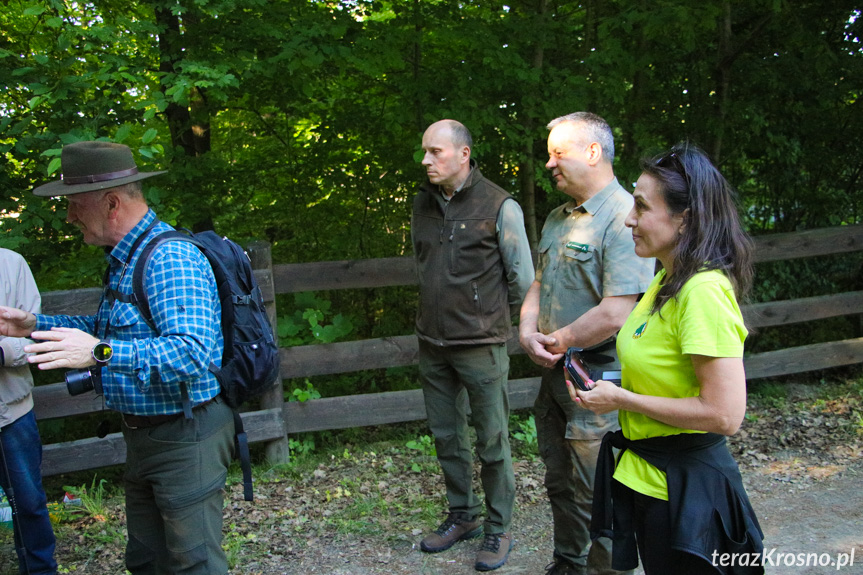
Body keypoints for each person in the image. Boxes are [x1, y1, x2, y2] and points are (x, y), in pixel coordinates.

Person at [0, 141, 234, 575]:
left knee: (194, 565)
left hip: (187, 434)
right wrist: (32, 325)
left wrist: (98, 354)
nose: (68, 216)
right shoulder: (127, 258)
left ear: (110, 203)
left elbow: (193, 352)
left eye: (73, 205)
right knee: (147, 561)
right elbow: (111, 328)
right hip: (148, 434)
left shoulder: (170, 258)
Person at [569, 143, 764, 574]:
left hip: (690, 495)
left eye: (641, 206)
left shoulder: (703, 292)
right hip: (651, 481)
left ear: (684, 218)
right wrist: (610, 386)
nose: (628, 218)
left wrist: (621, 400)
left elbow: (725, 414)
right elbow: (662, 370)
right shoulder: (666, 279)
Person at [519, 112, 654, 575]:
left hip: (599, 381)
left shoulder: (624, 217)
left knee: (600, 492)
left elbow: (619, 311)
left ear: (593, 152)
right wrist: (526, 331)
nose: (549, 163)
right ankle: (569, 563)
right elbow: (537, 283)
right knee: (560, 482)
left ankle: (607, 571)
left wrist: (554, 341)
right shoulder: (559, 219)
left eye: (559, 153)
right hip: (555, 375)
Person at [412, 119, 534, 572]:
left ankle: (499, 529)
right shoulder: (421, 204)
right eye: (425, 151)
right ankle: (462, 515)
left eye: (435, 152)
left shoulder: (500, 205)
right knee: (447, 437)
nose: (426, 160)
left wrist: (524, 331)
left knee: (493, 440)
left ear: (463, 154)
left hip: (481, 344)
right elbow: (423, 266)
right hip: (432, 343)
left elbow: (522, 277)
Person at [0, 248, 57, 575]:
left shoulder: (12, 263)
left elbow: (34, 335)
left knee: (30, 504)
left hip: (12, 412)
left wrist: (1, 352)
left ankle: (40, 571)